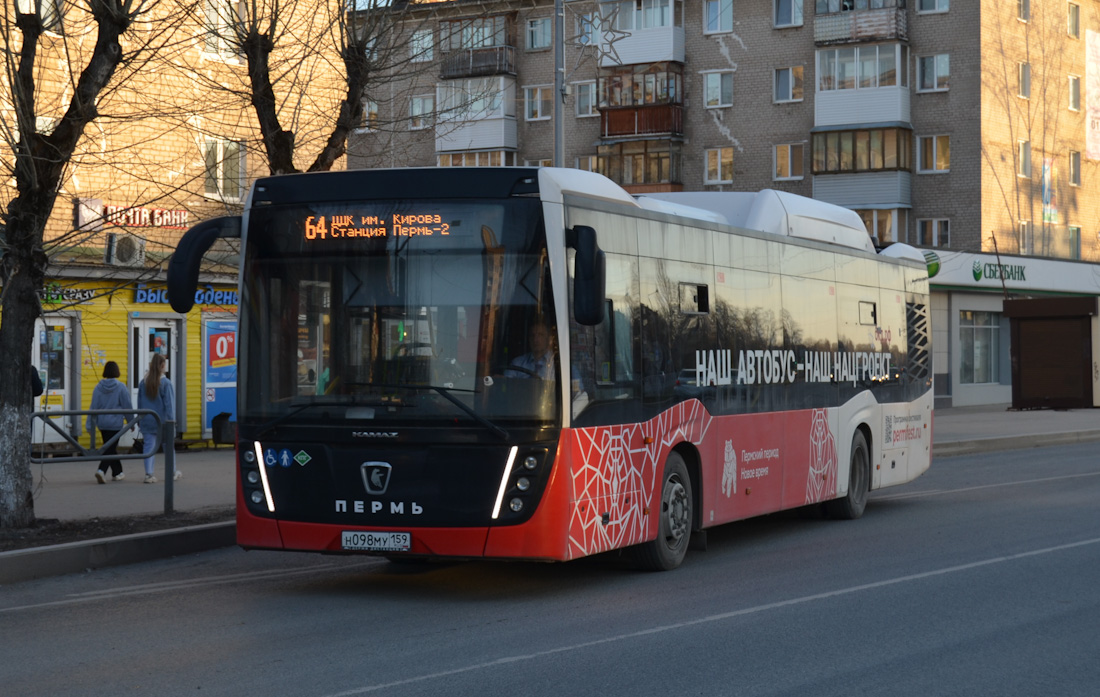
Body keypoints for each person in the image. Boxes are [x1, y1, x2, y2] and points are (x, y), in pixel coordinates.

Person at [86, 361, 134, 484]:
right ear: (117, 371)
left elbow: (93, 407)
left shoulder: (98, 387)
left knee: (110, 447)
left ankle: (118, 472)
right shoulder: (121, 387)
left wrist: (90, 425)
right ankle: (101, 470)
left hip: (102, 423)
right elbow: (127, 406)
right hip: (115, 423)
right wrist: (131, 422)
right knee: (110, 448)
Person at [136, 353, 180, 484]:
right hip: (163, 421)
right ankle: (172, 472)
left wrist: (140, 419)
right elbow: (169, 404)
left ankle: (149, 474)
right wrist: (172, 420)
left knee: (149, 447)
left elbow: (140, 402)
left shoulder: (143, 382)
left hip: (148, 420)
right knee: (168, 447)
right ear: (162, 365)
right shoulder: (166, 383)